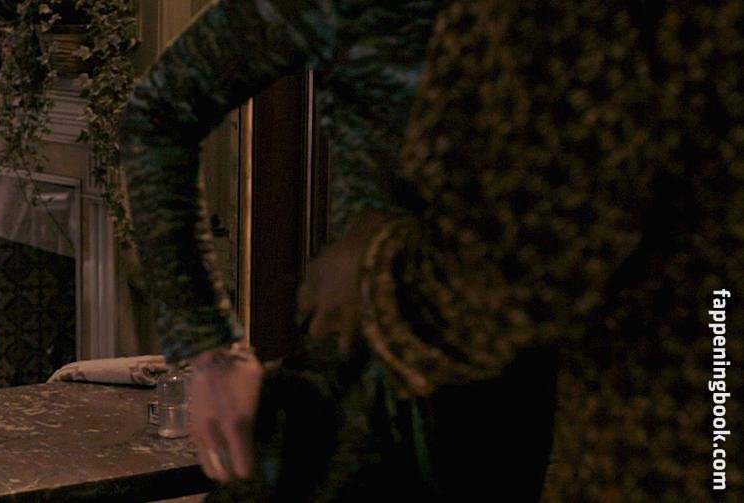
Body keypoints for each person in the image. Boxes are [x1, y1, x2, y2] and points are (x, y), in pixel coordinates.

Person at [122, 0, 742, 500]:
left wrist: (374, 255)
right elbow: (159, 112)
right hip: (399, 411)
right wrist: (208, 344)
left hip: (624, 398)